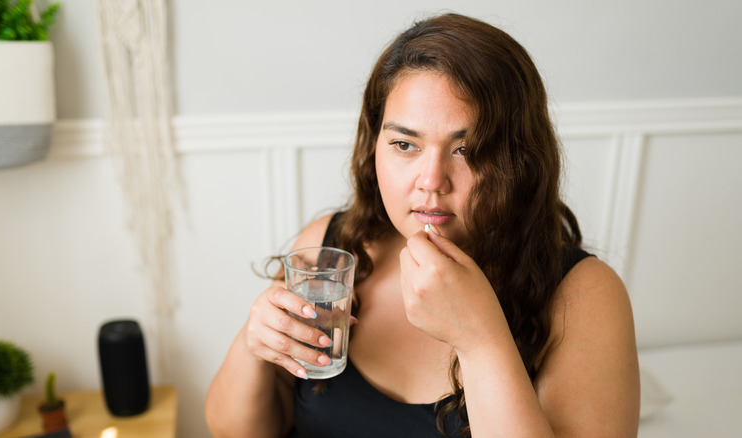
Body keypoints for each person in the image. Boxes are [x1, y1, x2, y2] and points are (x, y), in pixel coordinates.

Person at [205, 12, 639, 438]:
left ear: (520, 160)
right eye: (405, 144)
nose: (431, 181)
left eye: (468, 149)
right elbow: (233, 430)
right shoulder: (329, 249)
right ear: (373, 145)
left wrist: (481, 340)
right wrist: (254, 342)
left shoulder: (584, 295)